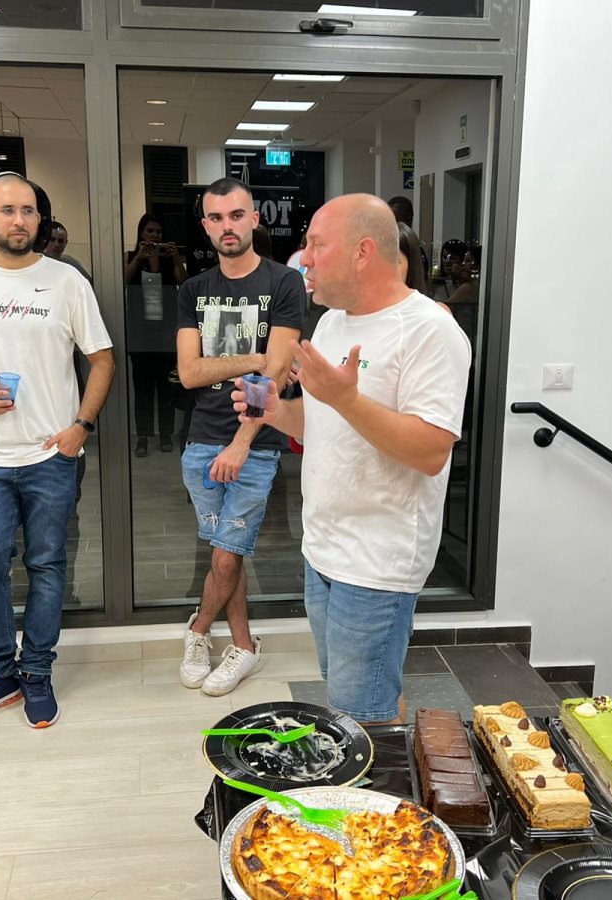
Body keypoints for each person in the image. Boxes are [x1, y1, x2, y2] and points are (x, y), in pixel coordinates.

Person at [234, 194, 471, 724]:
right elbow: (322, 425)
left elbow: (432, 451)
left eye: (316, 244)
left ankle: (381, 776)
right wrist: (276, 412)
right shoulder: (331, 324)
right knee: (360, 698)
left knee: (358, 713)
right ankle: (387, 757)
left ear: (363, 252)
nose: (305, 257)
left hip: (378, 560)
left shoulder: (430, 330)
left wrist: (346, 399)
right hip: (323, 547)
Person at [0, 171, 115, 730]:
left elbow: (102, 359)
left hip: (51, 454)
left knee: (47, 564)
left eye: (28, 210)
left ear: (40, 219)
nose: (19, 220)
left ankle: (35, 670)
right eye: (7, 210)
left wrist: (81, 426)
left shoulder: (66, 281)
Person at [176, 177, 304, 696]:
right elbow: (190, 373)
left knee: (227, 553)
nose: (226, 226)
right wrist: (254, 357)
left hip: (254, 444)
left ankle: (198, 630)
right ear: (206, 226)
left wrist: (242, 441)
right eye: (216, 218)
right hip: (201, 439)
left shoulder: (284, 283)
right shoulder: (193, 290)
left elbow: (275, 378)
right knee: (224, 551)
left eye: (236, 215)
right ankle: (245, 647)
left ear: (254, 219)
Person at [126, 213, 187, 456]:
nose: (154, 236)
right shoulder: (132, 257)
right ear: (141, 233)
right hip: (140, 334)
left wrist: (175, 259)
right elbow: (123, 281)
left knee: (166, 389)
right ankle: (142, 437)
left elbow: (184, 284)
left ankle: (165, 435)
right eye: (150, 231)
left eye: (158, 232)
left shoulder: (168, 260)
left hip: (165, 335)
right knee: (142, 391)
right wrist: (139, 257)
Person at [43, 219, 92, 284]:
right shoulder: (37, 262)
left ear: (65, 243)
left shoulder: (71, 263)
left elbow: (88, 283)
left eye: (61, 241)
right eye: (52, 239)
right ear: (45, 240)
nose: (56, 244)